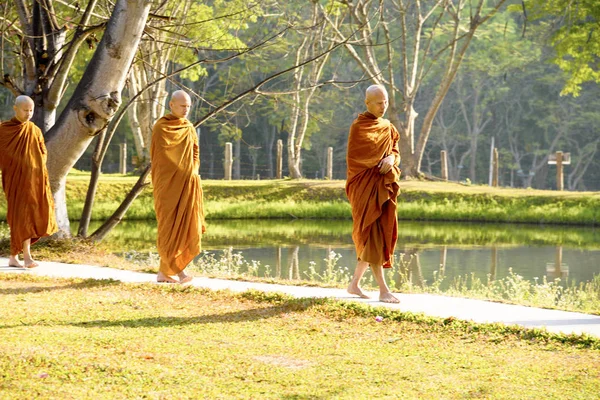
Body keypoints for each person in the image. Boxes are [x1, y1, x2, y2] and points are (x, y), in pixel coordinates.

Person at [345, 84, 401, 303]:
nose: (383, 106)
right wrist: (380, 161)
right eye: (378, 102)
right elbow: (357, 159)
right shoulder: (358, 127)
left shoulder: (388, 127)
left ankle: (354, 284)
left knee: (373, 236)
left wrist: (391, 159)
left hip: (382, 188)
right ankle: (383, 290)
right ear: (367, 103)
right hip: (364, 187)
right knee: (372, 234)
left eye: (385, 101)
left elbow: (395, 151)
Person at [150, 90, 205, 284]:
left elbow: (195, 152)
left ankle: (167, 273)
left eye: (188, 106)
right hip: (167, 185)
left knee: (185, 228)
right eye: (182, 106)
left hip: (187, 184)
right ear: (171, 104)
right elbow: (162, 157)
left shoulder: (189, 127)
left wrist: (193, 171)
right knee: (168, 227)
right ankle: (172, 273)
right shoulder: (161, 127)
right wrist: (182, 170)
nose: (185, 110)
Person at [0, 95, 58, 268]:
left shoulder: (34, 130)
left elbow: (43, 153)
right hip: (15, 180)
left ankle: (14, 256)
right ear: (15, 109)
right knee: (19, 216)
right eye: (25, 110)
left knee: (28, 216)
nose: (28, 113)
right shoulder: (4, 130)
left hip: (33, 181)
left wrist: (35, 169)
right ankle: (25, 256)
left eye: (31, 110)